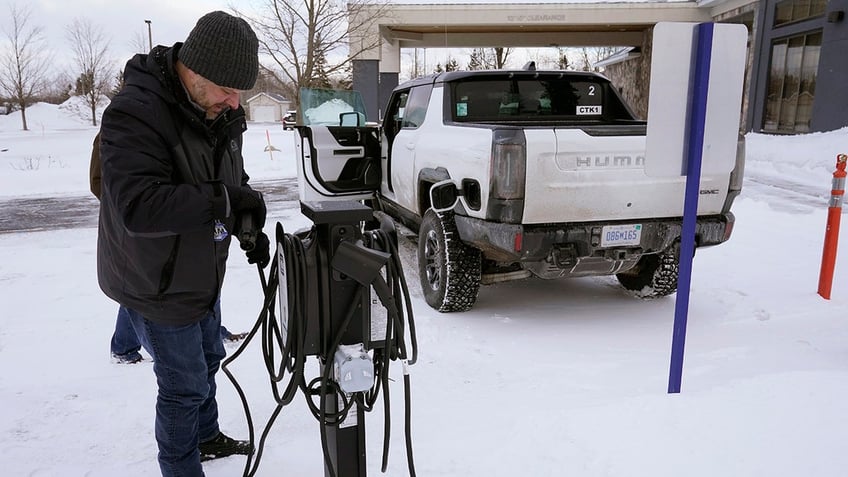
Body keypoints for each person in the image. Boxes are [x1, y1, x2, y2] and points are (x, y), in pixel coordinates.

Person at [96, 11, 270, 475]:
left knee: (210, 357)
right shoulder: (135, 113)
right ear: (193, 71)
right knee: (183, 385)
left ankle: (206, 436)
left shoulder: (219, 109)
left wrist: (245, 210)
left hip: (201, 270)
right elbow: (139, 206)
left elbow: (230, 174)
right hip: (153, 280)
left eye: (240, 92)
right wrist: (223, 201)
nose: (235, 103)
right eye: (227, 90)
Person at [90, 134, 248, 365]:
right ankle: (123, 347)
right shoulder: (123, 124)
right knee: (143, 291)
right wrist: (136, 214)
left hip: (195, 236)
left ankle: (210, 332)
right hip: (147, 240)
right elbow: (103, 183)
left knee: (193, 285)